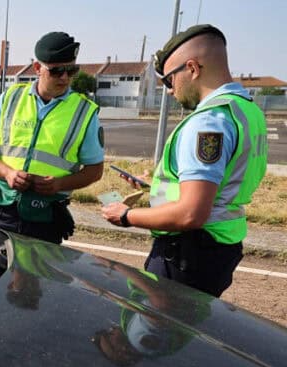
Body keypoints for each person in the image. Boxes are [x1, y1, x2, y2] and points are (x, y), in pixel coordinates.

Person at [101, 24, 268, 297]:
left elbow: (191, 213)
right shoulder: (247, 110)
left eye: (169, 80)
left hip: (187, 253)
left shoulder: (208, 122)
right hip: (220, 246)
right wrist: (157, 186)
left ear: (192, 68)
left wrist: (126, 215)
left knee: (154, 322)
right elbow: (223, 178)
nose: (169, 90)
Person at [0, 31, 104, 244]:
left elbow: (95, 170)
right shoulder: (10, 97)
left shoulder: (85, 112)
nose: (65, 78)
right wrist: (7, 173)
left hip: (46, 216)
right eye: (57, 71)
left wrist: (59, 184)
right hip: (3, 209)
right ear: (37, 68)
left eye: (71, 70)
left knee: (40, 267)